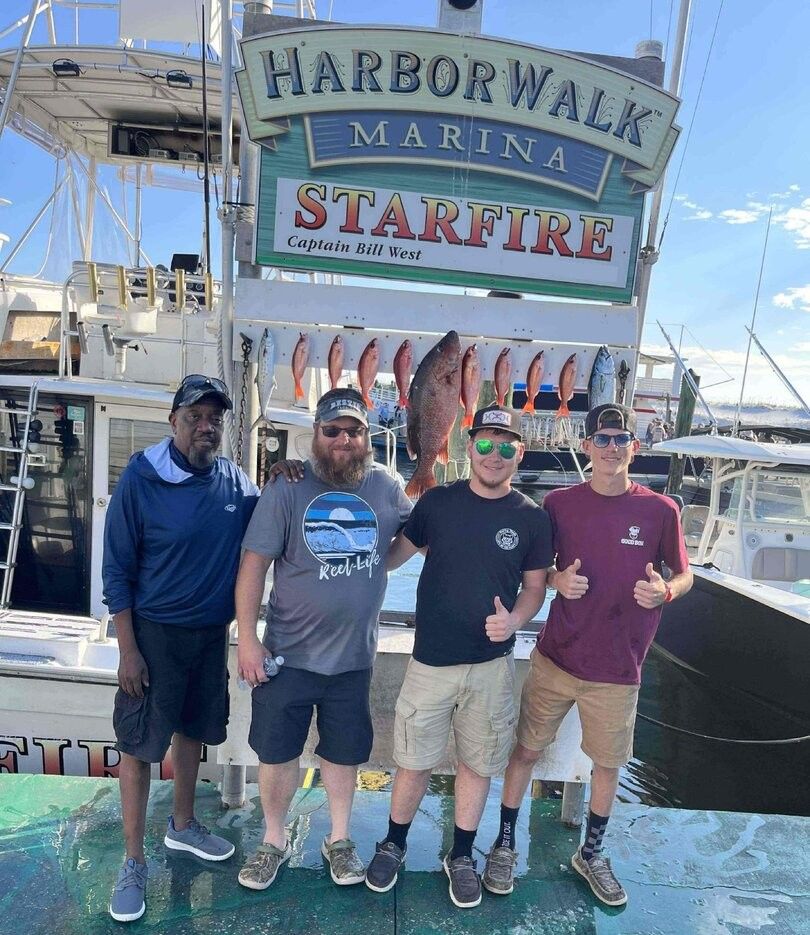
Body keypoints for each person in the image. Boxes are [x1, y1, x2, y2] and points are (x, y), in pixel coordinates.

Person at [484, 403, 692, 906]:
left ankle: (592, 852)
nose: (612, 448)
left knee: (607, 764)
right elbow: (538, 570)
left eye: (621, 439)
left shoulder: (661, 510)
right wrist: (558, 580)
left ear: (634, 448)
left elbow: (685, 575)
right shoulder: (558, 504)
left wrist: (665, 591)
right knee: (525, 751)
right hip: (556, 658)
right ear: (586, 447)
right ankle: (505, 842)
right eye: (602, 439)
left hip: (620, 669)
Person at [364, 404, 553, 910]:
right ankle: (393, 844)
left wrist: (514, 620)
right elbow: (387, 557)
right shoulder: (436, 504)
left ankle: (463, 855)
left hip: (492, 667)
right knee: (413, 760)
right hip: (430, 662)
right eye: (486, 443)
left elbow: (535, 588)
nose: (496, 454)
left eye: (507, 444)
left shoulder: (532, 519)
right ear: (469, 447)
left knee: (478, 763)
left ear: (520, 452)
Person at [235, 387, 412, 892]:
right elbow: (253, 567)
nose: (343, 440)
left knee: (343, 754)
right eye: (332, 430)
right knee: (278, 753)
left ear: (367, 437)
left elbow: (407, 539)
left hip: (353, 661)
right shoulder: (286, 486)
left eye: (353, 431)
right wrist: (248, 639)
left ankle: (338, 839)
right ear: (315, 434)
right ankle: (272, 840)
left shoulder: (385, 486)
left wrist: (380, 560)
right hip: (287, 657)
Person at [102, 374, 260, 923]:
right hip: (153, 634)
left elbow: (269, 523)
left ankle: (183, 825)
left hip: (207, 636)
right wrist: (128, 649)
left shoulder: (236, 482)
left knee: (193, 731)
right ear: (174, 422)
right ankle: (132, 861)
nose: (205, 426)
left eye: (214, 418)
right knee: (140, 746)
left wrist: (286, 477)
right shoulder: (142, 477)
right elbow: (116, 570)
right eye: (195, 416)